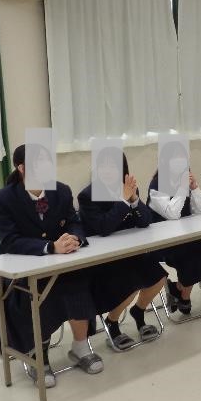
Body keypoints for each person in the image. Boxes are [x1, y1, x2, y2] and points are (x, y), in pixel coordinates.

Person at [0, 144, 112, 387]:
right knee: (38, 295)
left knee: (78, 282)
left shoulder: (61, 191)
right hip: (27, 269)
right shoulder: (4, 199)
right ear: (22, 168)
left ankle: (80, 347)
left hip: (62, 265)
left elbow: (75, 222)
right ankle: (39, 355)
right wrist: (49, 247)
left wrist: (74, 238)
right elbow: (10, 240)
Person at [78, 147, 166, 347]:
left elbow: (145, 221)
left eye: (114, 166)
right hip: (103, 259)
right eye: (104, 166)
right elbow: (103, 228)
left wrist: (134, 200)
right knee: (132, 283)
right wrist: (124, 201)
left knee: (159, 277)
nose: (109, 170)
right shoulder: (87, 195)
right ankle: (112, 322)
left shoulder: (127, 188)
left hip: (129, 253)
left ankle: (139, 311)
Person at [148, 140, 201, 314]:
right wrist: (183, 189)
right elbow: (172, 214)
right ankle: (183, 294)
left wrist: (195, 188)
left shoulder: (185, 180)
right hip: (165, 243)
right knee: (189, 257)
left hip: (187, 237)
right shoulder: (156, 186)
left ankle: (178, 289)